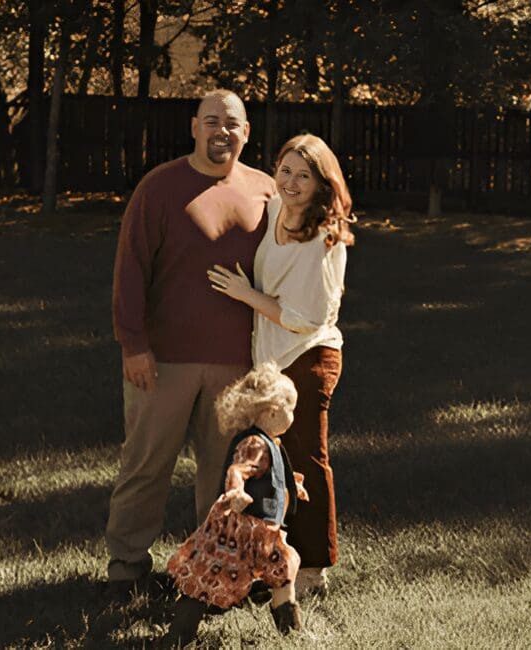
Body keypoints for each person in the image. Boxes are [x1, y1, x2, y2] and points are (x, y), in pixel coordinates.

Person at [107, 89, 277, 596]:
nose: (221, 132)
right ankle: (127, 565)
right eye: (211, 121)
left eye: (232, 124)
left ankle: (218, 570)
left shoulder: (268, 191)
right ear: (193, 127)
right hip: (163, 359)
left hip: (239, 364)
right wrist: (132, 343)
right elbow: (130, 269)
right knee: (146, 463)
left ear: (246, 133)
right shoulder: (159, 188)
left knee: (226, 476)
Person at [208, 133, 355, 596]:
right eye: (285, 170)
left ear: (322, 184)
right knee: (271, 463)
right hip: (272, 359)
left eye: (303, 175)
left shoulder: (322, 239)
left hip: (308, 356)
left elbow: (304, 317)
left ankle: (313, 569)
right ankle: (268, 560)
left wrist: (246, 294)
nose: (290, 182)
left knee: (307, 459)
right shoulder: (275, 209)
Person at [161, 364, 307, 647]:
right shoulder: (255, 442)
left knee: (284, 566)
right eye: (292, 409)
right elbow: (238, 470)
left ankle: (291, 633)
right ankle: (179, 634)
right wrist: (236, 493)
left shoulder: (269, 442)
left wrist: (291, 487)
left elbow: (268, 475)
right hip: (243, 529)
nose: (293, 416)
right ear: (273, 410)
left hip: (261, 530)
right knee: (210, 576)